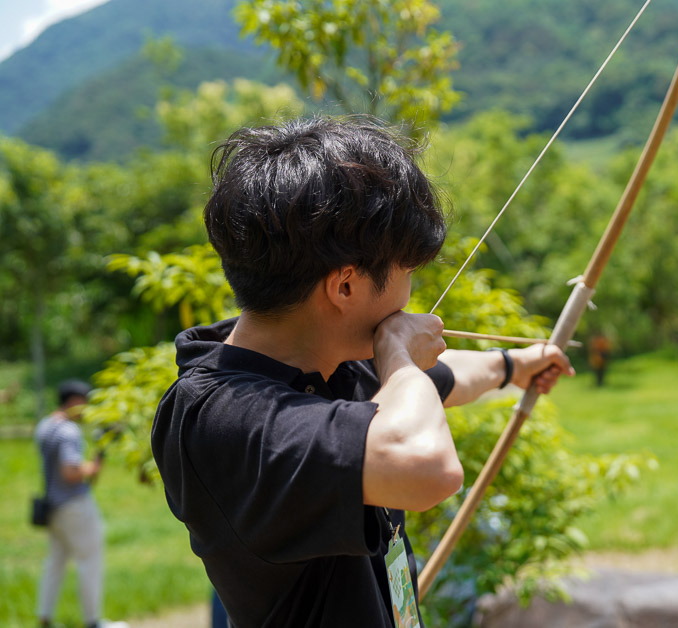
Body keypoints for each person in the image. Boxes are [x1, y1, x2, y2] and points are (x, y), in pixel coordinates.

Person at [151, 116, 574, 627]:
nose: (410, 293)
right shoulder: (225, 419)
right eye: (407, 273)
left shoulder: (318, 357)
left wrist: (513, 366)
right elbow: (425, 467)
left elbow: (438, 381)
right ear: (345, 287)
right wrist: (398, 353)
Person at [35, 380, 126, 628]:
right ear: (74, 401)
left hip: (52, 505)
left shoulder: (46, 425)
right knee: (90, 560)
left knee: (55, 562)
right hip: (74, 505)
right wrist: (97, 459)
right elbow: (71, 471)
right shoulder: (69, 431)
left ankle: (44, 618)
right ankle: (93, 621)